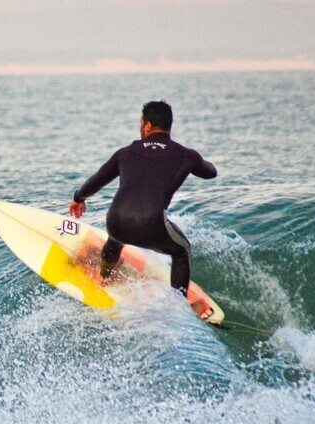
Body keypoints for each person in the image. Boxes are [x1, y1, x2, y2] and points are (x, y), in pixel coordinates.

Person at [67, 100, 217, 296]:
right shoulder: (186, 155)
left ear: (147, 125)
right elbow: (210, 173)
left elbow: (97, 181)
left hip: (116, 220)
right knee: (181, 251)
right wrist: (195, 161)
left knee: (114, 240)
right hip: (152, 225)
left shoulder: (125, 153)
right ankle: (178, 301)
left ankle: (103, 277)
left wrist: (78, 198)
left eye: (141, 123)